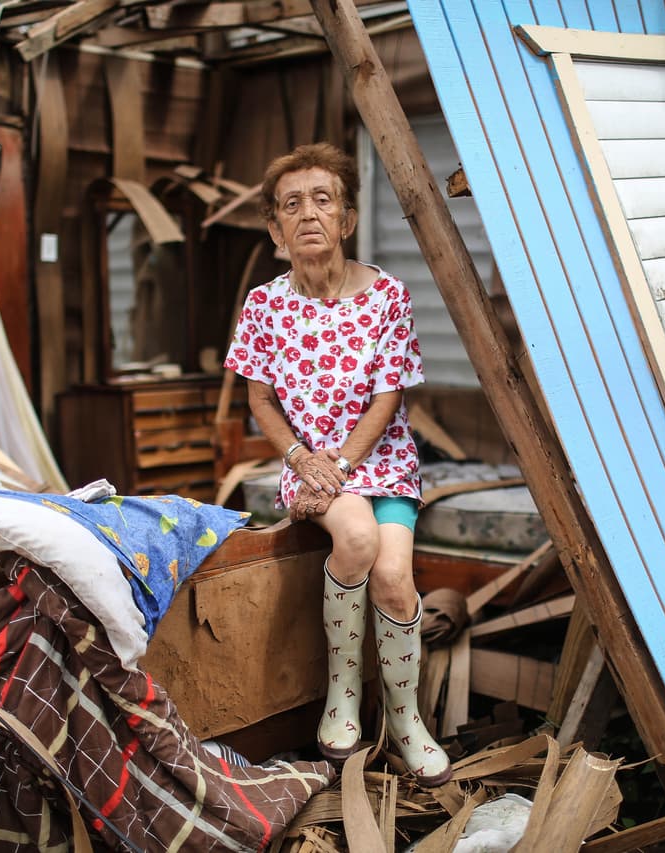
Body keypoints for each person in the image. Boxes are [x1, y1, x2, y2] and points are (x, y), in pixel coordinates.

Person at [223, 143, 451, 787]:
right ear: (274, 229)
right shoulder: (265, 305)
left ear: (347, 219)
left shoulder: (387, 296)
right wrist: (301, 458)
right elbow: (259, 399)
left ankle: (406, 722)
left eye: (323, 200)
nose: (308, 214)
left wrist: (340, 466)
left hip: (380, 464)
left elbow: (389, 396)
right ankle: (341, 698)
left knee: (396, 578)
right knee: (355, 538)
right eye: (291, 205)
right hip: (311, 464)